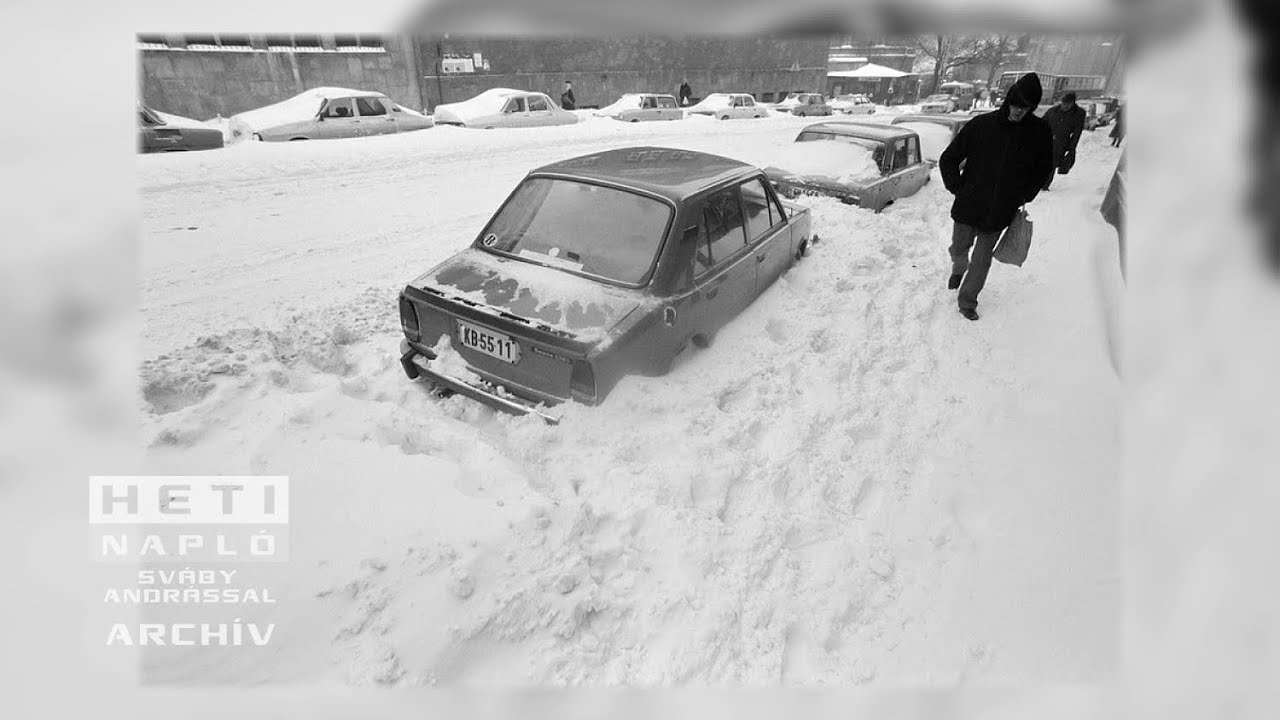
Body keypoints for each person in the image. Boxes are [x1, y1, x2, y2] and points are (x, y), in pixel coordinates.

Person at [939, 72, 1054, 321]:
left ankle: (968, 301)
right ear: (1008, 100)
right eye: (1015, 104)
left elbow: (1043, 169)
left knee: (982, 259)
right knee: (959, 248)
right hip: (968, 204)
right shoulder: (982, 125)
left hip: (1000, 209)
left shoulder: (1038, 133)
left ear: (1032, 108)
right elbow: (948, 158)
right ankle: (959, 268)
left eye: (1025, 107)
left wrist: (1024, 195)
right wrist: (957, 187)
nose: (1018, 111)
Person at [1042, 91, 1086, 189]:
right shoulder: (1053, 111)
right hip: (1046, 141)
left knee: (1051, 165)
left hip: (1061, 143)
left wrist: (1071, 148)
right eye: (1063, 103)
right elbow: (1042, 123)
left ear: (1073, 103)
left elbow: (1077, 133)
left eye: (1067, 104)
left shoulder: (1079, 114)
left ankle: (1044, 186)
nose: (1064, 106)